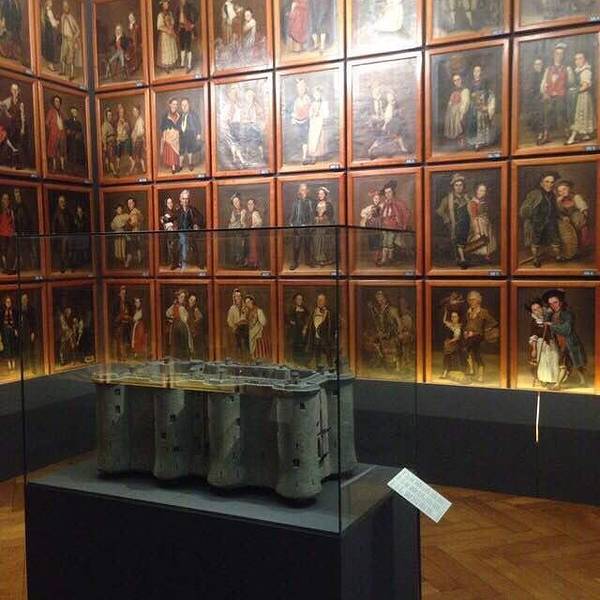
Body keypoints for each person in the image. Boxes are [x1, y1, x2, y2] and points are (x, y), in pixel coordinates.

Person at [544, 289, 587, 388]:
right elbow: (546, 322)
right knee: (571, 362)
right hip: (560, 342)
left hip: (569, 342)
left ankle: (558, 384)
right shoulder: (553, 313)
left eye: (555, 302)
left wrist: (552, 325)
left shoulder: (567, 313)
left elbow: (566, 329)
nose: (553, 305)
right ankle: (583, 380)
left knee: (565, 363)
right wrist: (548, 314)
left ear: (561, 302)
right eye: (550, 304)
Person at [519, 171, 563, 267]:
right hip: (537, 223)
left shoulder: (553, 195)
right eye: (547, 182)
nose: (549, 184)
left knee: (555, 240)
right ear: (541, 183)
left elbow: (555, 209)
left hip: (551, 223)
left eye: (552, 182)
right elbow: (524, 209)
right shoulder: (534, 194)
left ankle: (558, 256)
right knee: (536, 241)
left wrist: (562, 217)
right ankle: (535, 259)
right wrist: (532, 218)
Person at [540, 42, 574, 145]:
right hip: (549, 96)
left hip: (561, 96)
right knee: (547, 115)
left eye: (561, 54)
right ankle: (546, 135)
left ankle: (567, 134)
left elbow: (571, 82)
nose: (559, 56)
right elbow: (543, 83)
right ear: (554, 55)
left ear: (563, 56)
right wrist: (544, 92)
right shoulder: (548, 69)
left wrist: (565, 82)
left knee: (561, 114)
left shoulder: (567, 68)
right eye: (557, 54)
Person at [463, 290, 498, 384]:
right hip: (469, 337)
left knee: (476, 354)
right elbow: (468, 324)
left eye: (473, 300)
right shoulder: (468, 312)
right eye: (470, 300)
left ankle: (480, 376)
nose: (471, 302)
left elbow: (493, 323)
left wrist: (485, 331)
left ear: (478, 300)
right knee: (467, 352)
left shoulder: (483, 312)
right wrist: (466, 331)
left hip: (478, 337)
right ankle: (472, 370)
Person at [365, 290, 405, 373]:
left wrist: (400, 332)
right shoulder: (379, 310)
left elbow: (399, 322)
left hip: (392, 333)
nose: (380, 301)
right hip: (383, 334)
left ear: (386, 299)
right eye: (378, 299)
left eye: (382, 299)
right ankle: (382, 361)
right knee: (373, 341)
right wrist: (372, 308)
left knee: (395, 347)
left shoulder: (392, 309)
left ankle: (398, 366)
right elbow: (378, 321)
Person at [436, 173, 471, 268]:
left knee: (467, 241)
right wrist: (447, 219)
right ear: (453, 187)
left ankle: (464, 258)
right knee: (458, 241)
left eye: (460, 185)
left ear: (463, 186)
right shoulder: (448, 198)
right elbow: (440, 210)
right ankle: (461, 260)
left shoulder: (467, 197)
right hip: (455, 225)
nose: (459, 187)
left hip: (467, 224)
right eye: (456, 185)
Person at [525, 299, 559, 388]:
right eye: (534, 310)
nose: (538, 311)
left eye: (538, 308)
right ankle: (544, 380)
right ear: (532, 312)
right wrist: (534, 349)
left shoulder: (550, 317)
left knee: (554, 359)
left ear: (542, 307)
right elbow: (533, 335)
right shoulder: (534, 322)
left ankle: (554, 380)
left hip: (552, 342)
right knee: (543, 361)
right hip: (541, 343)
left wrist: (550, 325)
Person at [554, 179, 592, 259]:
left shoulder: (576, 197)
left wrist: (583, 218)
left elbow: (584, 209)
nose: (562, 192)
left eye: (564, 189)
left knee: (581, 235)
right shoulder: (559, 200)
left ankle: (581, 251)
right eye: (560, 191)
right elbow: (558, 212)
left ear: (569, 188)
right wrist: (563, 216)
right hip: (567, 222)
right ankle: (569, 251)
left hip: (578, 221)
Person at [379, 180, 411, 266]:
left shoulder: (398, 202)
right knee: (384, 242)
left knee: (389, 242)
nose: (387, 194)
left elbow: (407, 213)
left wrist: (402, 224)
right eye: (386, 192)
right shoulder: (384, 203)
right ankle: (384, 259)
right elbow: (382, 214)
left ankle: (389, 259)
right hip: (384, 226)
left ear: (393, 192)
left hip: (393, 226)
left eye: (389, 192)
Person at [567, 51, 595, 146]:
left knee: (580, 115)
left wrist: (574, 91)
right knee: (581, 115)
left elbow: (585, 86)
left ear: (585, 60)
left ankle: (572, 138)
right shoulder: (578, 70)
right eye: (576, 59)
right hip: (579, 96)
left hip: (584, 96)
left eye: (580, 58)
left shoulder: (586, 71)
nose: (578, 61)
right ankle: (585, 135)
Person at [465, 65, 496, 150]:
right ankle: (475, 143)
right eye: (475, 71)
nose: (477, 73)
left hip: (482, 104)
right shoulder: (470, 83)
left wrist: (484, 103)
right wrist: (473, 97)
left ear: (481, 72)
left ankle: (482, 141)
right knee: (473, 123)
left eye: (478, 71)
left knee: (482, 123)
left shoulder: (484, 82)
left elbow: (488, 93)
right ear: (473, 73)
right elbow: (468, 94)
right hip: (473, 106)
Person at [467, 183, 496, 264]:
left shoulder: (483, 201)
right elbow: (474, 217)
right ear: (476, 191)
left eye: (484, 191)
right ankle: (479, 257)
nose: (483, 193)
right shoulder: (473, 202)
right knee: (479, 239)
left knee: (488, 239)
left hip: (486, 223)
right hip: (478, 223)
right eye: (481, 190)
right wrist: (477, 229)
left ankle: (487, 255)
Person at [176, 189, 204, 269]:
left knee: (194, 246)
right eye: (183, 199)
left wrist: (196, 224)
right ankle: (182, 263)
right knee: (183, 242)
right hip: (181, 232)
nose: (185, 201)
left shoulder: (192, 209)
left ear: (189, 200)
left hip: (190, 232)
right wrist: (165, 220)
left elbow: (200, 217)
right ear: (181, 200)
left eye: (187, 199)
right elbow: (173, 218)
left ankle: (197, 263)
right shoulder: (179, 210)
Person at [305, 293, 335, 368]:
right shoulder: (314, 311)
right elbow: (310, 323)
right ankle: (318, 367)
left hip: (325, 338)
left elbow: (332, 326)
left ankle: (330, 367)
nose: (319, 302)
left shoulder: (329, 312)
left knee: (328, 353)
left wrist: (330, 337)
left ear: (325, 302)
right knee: (317, 353)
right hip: (315, 337)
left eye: (321, 300)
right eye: (318, 300)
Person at [289, 183, 313, 270]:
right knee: (296, 246)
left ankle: (308, 261)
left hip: (307, 227)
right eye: (302, 190)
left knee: (308, 245)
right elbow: (292, 214)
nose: (304, 191)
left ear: (307, 191)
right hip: (297, 227)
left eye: (305, 190)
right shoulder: (296, 202)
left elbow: (311, 214)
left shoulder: (309, 202)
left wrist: (310, 225)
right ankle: (295, 262)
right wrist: (291, 223)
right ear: (299, 191)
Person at [444, 74, 470, 148]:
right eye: (455, 80)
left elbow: (465, 103)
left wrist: (461, 112)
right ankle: (455, 143)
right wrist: (450, 104)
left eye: (458, 79)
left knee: (460, 125)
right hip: (452, 111)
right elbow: (451, 101)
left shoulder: (465, 90)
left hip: (460, 111)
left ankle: (462, 142)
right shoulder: (454, 90)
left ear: (461, 80)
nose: (457, 82)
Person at [166, 289, 192, 360]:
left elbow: (185, 319)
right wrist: (172, 318)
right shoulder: (175, 306)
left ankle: (184, 359)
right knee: (177, 344)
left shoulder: (184, 306)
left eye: (184, 297)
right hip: (177, 327)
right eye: (181, 297)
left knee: (184, 343)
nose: (182, 299)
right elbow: (167, 313)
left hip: (182, 327)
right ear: (178, 297)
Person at [312, 186, 335, 267]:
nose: (320, 195)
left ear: (325, 195)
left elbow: (331, 215)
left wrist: (324, 218)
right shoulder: (316, 204)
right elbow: (313, 214)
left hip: (326, 225)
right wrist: (316, 218)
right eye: (319, 194)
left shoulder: (328, 204)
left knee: (325, 242)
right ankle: (319, 259)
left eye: (322, 194)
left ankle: (326, 259)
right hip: (317, 225)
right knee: (317, 241)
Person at [440, 308, 466, 380]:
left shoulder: (459, 326)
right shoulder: (450, 324)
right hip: (449, 344)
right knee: (447, 356)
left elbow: (457, 338)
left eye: (455, 317)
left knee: (453, 356)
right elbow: (444, 321)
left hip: (456, 344)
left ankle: (452, 372)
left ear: (458, 317)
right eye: (452, 317)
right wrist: (446, 312)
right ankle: (445, 372)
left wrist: (450, 342)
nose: (453, 318)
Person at [179, 97, 203, 172]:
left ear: (189, 105)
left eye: (186, 105)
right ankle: (180, 165)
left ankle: (190, 164)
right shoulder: (180, 115)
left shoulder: (193, 114)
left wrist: (198, 133)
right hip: (182, 134)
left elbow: (198, 124)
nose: (184, 107)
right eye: (182, 105)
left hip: (190, 134)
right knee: (181, 150)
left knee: (190, 149)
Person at [526, 58, 546, 145]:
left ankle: (544, 134)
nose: (538, 66)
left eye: (540, 64)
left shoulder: (545, 74)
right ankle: (540, 134)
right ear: (534, 66)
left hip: (545, 98)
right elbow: (531, 89)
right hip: (535, 99)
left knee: (544, 115)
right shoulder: (531, 76)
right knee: (537, 116)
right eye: (536, 64)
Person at [359, 190, 383, 264]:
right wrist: (368, 216)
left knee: (379, 241)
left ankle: (379, 257)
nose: (376, 200)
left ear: (380, 199)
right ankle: (374, 257)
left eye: (378, 199)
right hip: (372, 225)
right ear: (373, 199)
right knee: (372, 240)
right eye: (375, 198)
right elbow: (362, 213)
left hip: (380, 225)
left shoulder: (382, 206)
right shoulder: (370, 207)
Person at [59, 1, 81, 81]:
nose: (65, 8)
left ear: (69, 8)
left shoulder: (71, 18)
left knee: (71, 57)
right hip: (64, 38)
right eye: (64, 7)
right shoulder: (62, 17)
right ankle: (63, 71)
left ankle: (72, 74)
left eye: (66, 7)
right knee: (63, 55)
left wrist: (74, 38)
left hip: (70, 39)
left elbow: (78, 30)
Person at [307, 85, 329, 164]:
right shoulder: (312, 104)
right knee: (314, 138)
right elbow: (310, 113)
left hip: (320, 121)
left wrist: (320, 114)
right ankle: (314, 156)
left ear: (321, 94)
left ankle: (322, 154)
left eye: (318, 94)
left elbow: (326, 114)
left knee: (321, 138)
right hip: (314, 123)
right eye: (315, 94)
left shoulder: (324, 103)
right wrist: (312, 114)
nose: (317, 95)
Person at [291, 79, 311, 164]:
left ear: (305, 89)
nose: (300, 90)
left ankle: (305, 156)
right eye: (299, 89)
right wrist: (294, 117)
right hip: (297, 121)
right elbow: (294, 110)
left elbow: (308, 110)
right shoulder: (296, 100)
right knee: (298, 137)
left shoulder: (307, 99)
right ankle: (300, 155)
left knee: (305, 138)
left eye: (302, 88)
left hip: (306, 120)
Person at [52, 194, 73, 272]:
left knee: (70, 251)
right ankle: (62, 267)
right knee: (62, 252)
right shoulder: (57, 214)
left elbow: (72, 223)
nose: (63, 203)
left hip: (68, 235)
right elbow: (54, 225)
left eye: (63, 201)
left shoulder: (68, 212)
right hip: (61, 236)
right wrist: (55, 234)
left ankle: (69, 266)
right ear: (59, 203)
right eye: (61, 202)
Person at [175, 0, 198, 72]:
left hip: (188, 28)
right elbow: (176, 18)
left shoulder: (189, 6)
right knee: (182, 46)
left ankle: (189, 65)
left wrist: (193, 23)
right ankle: (182, 64)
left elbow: (197, 13)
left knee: (188, 47)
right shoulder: (178, 7)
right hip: (181, 28)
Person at [160, 97, 181, 175]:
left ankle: (176, 165)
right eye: (173, 104)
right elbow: (163, 127)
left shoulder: (179, 115)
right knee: (171, 151)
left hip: (176, 136)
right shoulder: (165, 115)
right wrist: (164, 136)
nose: (175, 106)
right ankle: (173, 167)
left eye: (176, 104)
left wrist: (178, 132)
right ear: (170, 105)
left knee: (176, 151)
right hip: (168, 136)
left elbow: (180, 126)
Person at [45, 95, 66, 172]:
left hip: (61, 134)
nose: (57, 103)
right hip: (54, 134)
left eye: (58, 101)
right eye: (56, 101)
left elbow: (63, 123)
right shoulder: (51, 111)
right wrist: (53, 129)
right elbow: (47, 123)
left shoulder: (61, 113)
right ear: (53, 102)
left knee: (62, 150)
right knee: (53, 150)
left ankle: (62, 167)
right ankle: (54, 166)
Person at [245, 294, 269, 360]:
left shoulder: (259, 311)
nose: (247, 304)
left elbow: (263, 322)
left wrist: (258, 326)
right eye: (246, 303)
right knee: (251, 344)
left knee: (258, 347)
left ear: (252, 301)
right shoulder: (248, 311)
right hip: (251, 332)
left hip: (258, 333)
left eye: (248, 302)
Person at [287, 292, 309, 366]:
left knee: (302, 345)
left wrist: (305, 327)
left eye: (301, 299)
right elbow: (287, 317)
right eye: (298, 299)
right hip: (294, 330)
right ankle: (295, 362)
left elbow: (308, 317)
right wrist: (290, 321)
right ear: (295, 300)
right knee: (295, 345)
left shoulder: (304, 308)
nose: (300, 301)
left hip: (302, 330)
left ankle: (302, 362)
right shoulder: (292, 308)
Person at [227, 288, 248, 360]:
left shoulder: (245, 307)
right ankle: (239, 357)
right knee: (238, 343)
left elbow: (249, 318)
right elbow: (229, 321)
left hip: (245, 328)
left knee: (246, 343)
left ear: (241, 297)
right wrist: (234, 326)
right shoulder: (232, 308)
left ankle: (247, 357)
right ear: (234, 297)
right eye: (236, 296)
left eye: (239, 296)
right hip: (236, 329)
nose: (238, 298)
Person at [156, 1, 178, 72]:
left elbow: (172, 22)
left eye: (167, 3)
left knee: (172, 48)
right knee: (166, 50)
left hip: (171, 33)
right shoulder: (160, 15)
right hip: (165, 35)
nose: (167, 5)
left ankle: (171, 65)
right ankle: (166, 67)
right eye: (165, 4)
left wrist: (171, 27)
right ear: (162, 5)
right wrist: (167, 30)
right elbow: (159, 26)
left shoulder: (170, 13)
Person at [227, 192, 247, 267]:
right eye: (234, 202)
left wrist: (240, 221)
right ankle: (236, 261)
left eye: (237, 201)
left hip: (241, 233)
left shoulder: (244, 210)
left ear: (240, 201)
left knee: (241, 247)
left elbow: (244, 223)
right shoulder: (233, 212)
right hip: (234, 233)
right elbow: (230, 224)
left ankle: (242, 261)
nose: (236, 203)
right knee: (234, 247)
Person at [160, 196, 179, 269]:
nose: (170, 204)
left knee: (175, 249)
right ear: (166, 204)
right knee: (171, 249)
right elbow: (167, 223)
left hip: (175, 233)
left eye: (171, 202)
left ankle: (176, 263)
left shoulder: (173, 212)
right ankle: (173, 264)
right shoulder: (166, 213)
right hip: (170, 234)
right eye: (168, 203)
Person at [19, 292, 36, 373]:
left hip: (29, 332)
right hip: (22, 332)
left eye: (25, 299)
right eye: (23, 299)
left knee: (31, 350)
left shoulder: (31, 309)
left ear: (27, 300)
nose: (24, 300)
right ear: (21, 300)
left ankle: (33, 368)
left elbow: (34, 322)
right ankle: (25, 367)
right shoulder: (19, 309)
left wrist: (33, 332)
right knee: (23, 350)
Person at [113, 286, 131, 361]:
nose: (123, 295)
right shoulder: (116, 303)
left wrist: (128, 317)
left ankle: (125, 356)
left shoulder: (127, 303)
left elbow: (130, 313)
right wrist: (120, 317)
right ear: (119, 294)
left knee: (125, 341)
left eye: (124, 293)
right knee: (119, 340)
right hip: (119, 325)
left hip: (126, 324)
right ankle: (119, 357)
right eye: (122, 293)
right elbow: (114, 315)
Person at [125, 196, 143, 268]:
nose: (129, 205)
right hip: (137, 232)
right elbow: (140, 220)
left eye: (131, 203)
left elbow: (133, 223)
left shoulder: (134, 212)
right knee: (137, 247)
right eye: (128, 203)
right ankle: (139, 261)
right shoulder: (136, 211)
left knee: (131, 248)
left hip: (134, 233)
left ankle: (127, 263)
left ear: (134, 203)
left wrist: (127, 222)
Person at [243, 197, 262, 269]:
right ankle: (247, 261)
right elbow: (243, 222)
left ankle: (255, 262)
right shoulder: (245, 213)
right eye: (248, 204)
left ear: (254, 205)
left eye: (251, 204)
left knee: (253, 247)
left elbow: (259, 222)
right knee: (247, 247)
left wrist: (254, 225)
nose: (250, 206)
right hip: (247, 232)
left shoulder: (255, 213)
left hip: (253, 233)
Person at [41, 0, 60, 70]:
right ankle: (50, 64)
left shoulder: (48, 11)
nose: (51, 3)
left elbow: (51, 21)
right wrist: (57, 22)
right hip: (49, 33)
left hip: (49, 32)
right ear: (47, 3)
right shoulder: (48, 11)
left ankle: (50, 64)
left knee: (51, 47)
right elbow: (52, 23)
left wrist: (55, 21)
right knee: (50, 47)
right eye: (50, 2)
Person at [115, 104, 133, 176]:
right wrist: (117, 139)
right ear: (118, 113)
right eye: (120, 112)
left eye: (122, 112)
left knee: (129, 154)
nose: (121, 114)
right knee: (118, 155)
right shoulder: (116, 121)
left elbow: (129, 131)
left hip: (126, 139)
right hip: (119, 140)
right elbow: (117, 132)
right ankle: (118, 168)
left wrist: (126, 126)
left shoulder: (126, 121)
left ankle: (131, 168)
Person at [65, 106, 85, 171]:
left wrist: (79, 135)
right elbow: (67, 132)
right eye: (73, 112)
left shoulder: (78, 123)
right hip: (72, 141)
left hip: (78, 141)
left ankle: (79, 166)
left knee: (80, 152)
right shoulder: (68, 122)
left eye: (75, 112)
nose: (75, 113)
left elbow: (80, 132)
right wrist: (74, 133)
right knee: (72, 153)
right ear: (71, 113)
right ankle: (73, 167)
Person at [0, 295, 17, 372]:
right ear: (5, 303)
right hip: (5, 331)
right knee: (7, 347)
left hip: (12, 330)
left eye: (9, 302)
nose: (8, 303)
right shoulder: (2, 311)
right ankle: (9, 365)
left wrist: (16, 329)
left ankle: (13, 364)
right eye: (7, 302)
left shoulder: (14, 310)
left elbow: (16, 321)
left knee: (13, 346)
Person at [71, 204, 90, 268]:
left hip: (84, 237)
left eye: (81, 211)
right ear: (77, 212)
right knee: (76, 251)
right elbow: (74, 229)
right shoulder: (75, 219)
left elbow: (86, 228)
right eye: (78, 212)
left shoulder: (85, 218)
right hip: (77, 237)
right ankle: (76, 264)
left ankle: (86, 264)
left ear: (83, 212)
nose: (80, 213)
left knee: (85, 251)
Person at [0, 192, 14, 274]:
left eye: (7, 199)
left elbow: (13, 222)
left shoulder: (11, 211)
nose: (6, 201)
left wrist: (13, 231)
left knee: (10, 251)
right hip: (2, 234)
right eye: (4, 199)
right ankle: (5, 267)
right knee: (3, 251)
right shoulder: (0, 211)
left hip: (10, 234)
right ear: (2, 200)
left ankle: (9, 268)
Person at [130, 105, 146, 175]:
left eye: (135, 111)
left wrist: (135, 136)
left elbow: (141, 132)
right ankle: (143, 169)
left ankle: (133, 170)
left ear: (138, 112)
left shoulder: (140, 120)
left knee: (136, 156)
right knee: (139, 156)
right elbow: (135, 131)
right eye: (133, 111)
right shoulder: (138, 120)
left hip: (138, 141)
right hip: (138, 141)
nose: (134, 112)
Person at [101, 107, 117, 176]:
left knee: (109, 157)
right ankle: (114, 172)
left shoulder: (110, 124)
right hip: (108, 144)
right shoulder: (105, 125)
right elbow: (103, 137)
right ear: (106, 116)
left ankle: (108, 169)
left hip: (112, 144)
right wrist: (105, 146)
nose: (110, 117)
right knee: (110, 158)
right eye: (109, 115)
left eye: (111, 115)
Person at [187, 293, 204, 359]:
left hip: (193, 331)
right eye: (191, 300)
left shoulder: (195, 309)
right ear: (188, 300)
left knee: (194, 347)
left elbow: (200, 317)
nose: (192, 302)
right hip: (186, 330)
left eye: (194, 301)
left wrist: (194, 323)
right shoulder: (186, 308)